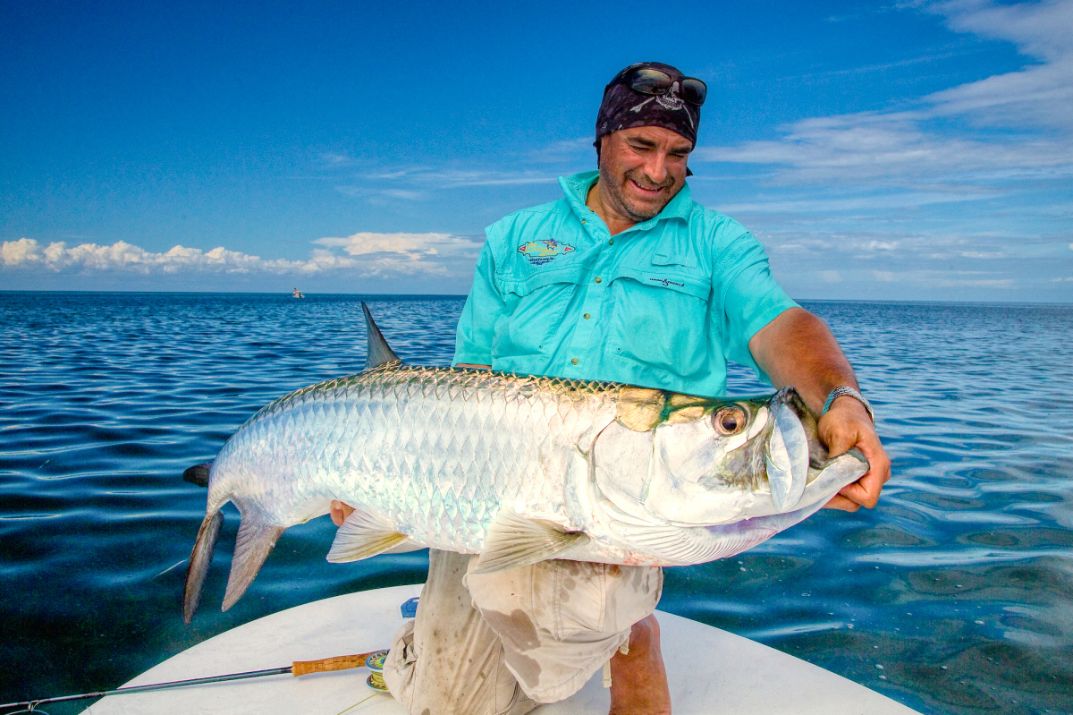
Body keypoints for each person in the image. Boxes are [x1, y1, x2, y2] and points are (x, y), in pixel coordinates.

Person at [331, 61, 890, 714]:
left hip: (631, 496)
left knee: (573, 620)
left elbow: (781, 325)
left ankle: (628, 630)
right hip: (491, 478)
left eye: (678, 153)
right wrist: (376, 473)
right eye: (641, 146)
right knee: (450, 702)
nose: (658, 172)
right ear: (600, 139)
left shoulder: (715, 243)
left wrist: (839, 397)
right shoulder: (514, 238)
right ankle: (440, 642)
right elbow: (465, 377)